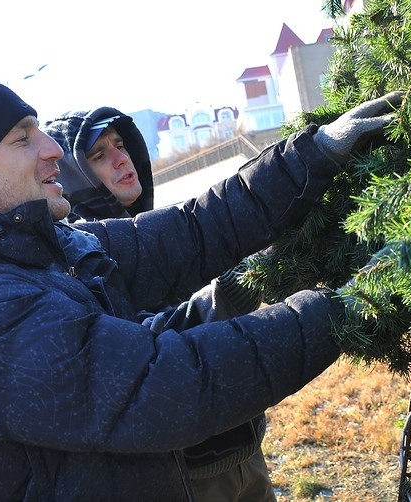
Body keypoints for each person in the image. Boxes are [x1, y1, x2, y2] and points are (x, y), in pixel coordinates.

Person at [0, 79, 403, 500]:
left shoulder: (47, 248)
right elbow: (165, 383)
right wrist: (349, 306)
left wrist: (313, 155)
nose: (53, 149)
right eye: (22, 138)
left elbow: (189, 233)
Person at [41, 108, 272, 500]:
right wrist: (239, 284)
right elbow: (152, 348)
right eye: (98, 155)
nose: (120, 158)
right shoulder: (80, 266)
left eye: (119, 144)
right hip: (185, 477)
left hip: (245, 451)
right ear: (73, 175)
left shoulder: (163, 234)